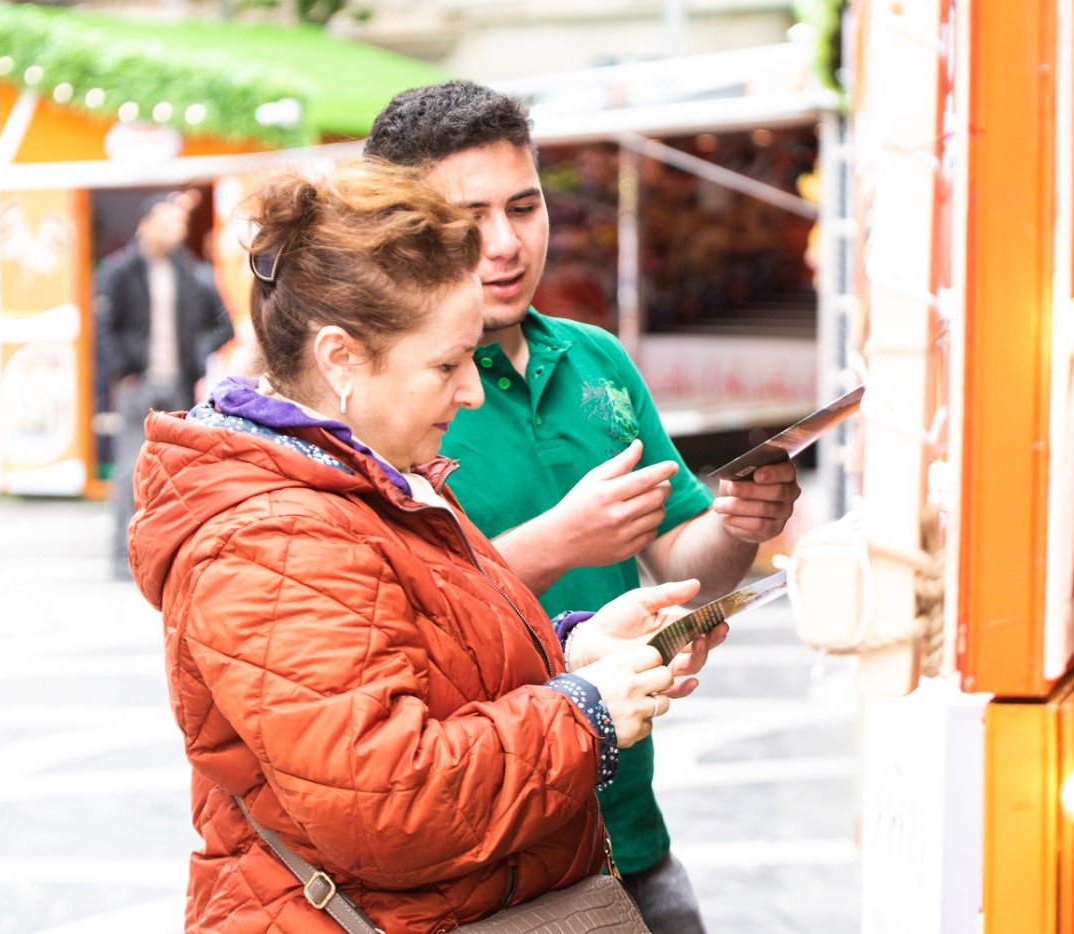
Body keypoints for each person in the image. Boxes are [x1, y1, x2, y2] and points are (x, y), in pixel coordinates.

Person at [126, 160, 723, 934]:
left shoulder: (375, 478)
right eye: (447, 365)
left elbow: (429, 668)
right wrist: (586, 713)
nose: (472, 391)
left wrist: (572, 651)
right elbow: (389, 801)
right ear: (340, 358)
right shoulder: (270, 535)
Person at [364, 81, 802, 933]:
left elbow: (682, 559)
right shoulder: (380, 397)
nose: (504, 243)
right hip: (486, 852)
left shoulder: (595, 357)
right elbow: (397, 615)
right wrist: (561, 541)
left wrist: (740, 522)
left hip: (629, 824)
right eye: (470, 216)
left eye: (524, 207)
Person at [96, 191, 235, 579]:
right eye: (169, 221)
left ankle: (161, 556)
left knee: (173, 472)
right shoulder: (120, 270)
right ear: (147, 223)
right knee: (128, 470)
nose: (177, 229)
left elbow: (225, 322)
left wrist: (197, 351)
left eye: (180, 223)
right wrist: (125, 368)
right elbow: (104, 325)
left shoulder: (187, 271)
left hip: (177, 384)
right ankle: (122, 557)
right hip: (136, 384)